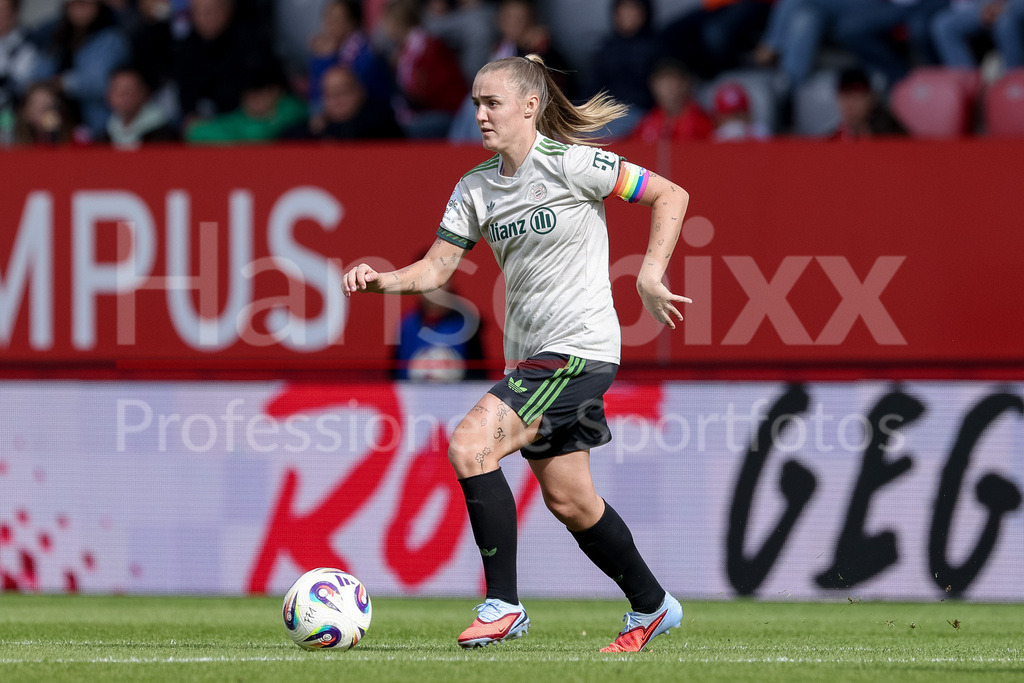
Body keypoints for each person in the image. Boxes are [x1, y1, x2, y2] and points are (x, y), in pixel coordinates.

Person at [344, 53, 690, 652]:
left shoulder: (573, 163)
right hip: (531, 359)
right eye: (476, 102)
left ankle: (503, 603)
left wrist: (649, 273)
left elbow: (670, 193)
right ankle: (653, 606)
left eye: (491, 102)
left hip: (576, 349)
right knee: (572, 501)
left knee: (470, 442)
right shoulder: (475, 188)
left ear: (530, 105)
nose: (479, 113)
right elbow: (437, 267)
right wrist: (382, 280)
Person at [33, 0, 131, 138]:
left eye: (85, 4)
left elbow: (102, 83)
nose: (79, 10)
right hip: (60, 124)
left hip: (98, 126)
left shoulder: (112, 39)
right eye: (73, 4)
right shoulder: (58, 36)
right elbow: (37, 75)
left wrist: (65, 83)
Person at [281, 63, 402, 140]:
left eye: (343, 92)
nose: (336, 99)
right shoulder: (315, 127)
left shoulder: (381, 120)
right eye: (329, 94)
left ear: (360, 91)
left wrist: (327, 129)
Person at [630, 59, 714, 143]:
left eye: (673, 80)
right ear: (653, 84)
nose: (668, 87)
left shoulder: (701, 122)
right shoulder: (647, 123)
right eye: (663, 80)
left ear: (685, 83)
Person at [98, 66, 179, 147]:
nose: (123, 97)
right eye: (119, 91)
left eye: (129, 91)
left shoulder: (162, 135)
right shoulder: (105, 137)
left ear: (144, 93)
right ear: (108, 95)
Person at [932, 0, 1024, 69]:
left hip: (1015, 5)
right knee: (943, 25)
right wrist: (986, 7)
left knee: (1005, 23)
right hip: (985, 5)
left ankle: (1014, 86)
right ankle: (967, 85)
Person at [829, 66, 906, 139]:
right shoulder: (830, 142)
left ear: (871, 99)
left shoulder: (891, 137)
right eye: (844, 97)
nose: (849, 105)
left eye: (855, 98)